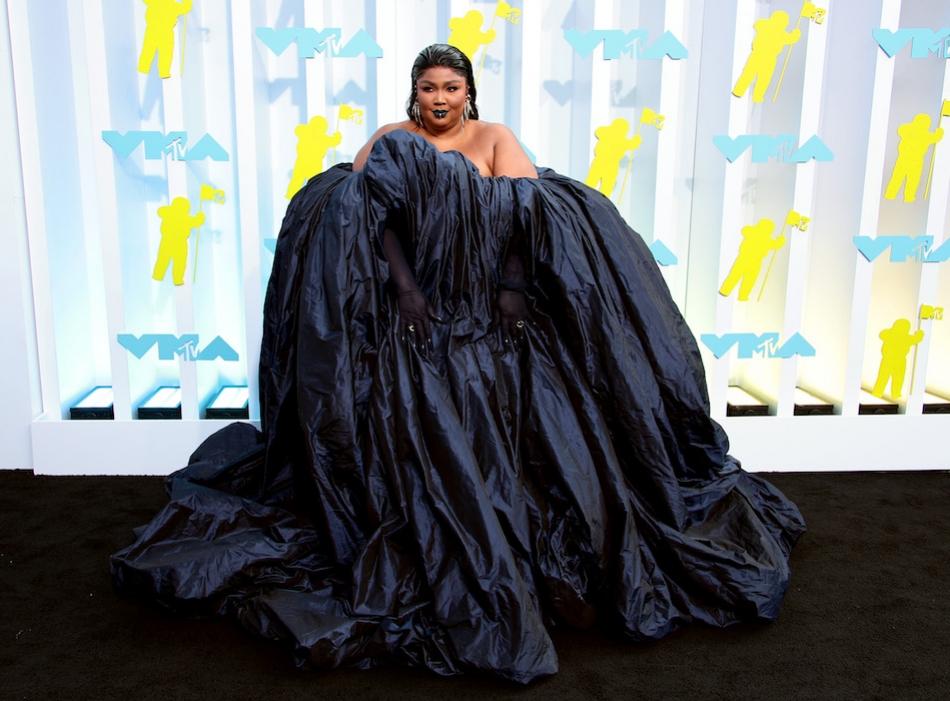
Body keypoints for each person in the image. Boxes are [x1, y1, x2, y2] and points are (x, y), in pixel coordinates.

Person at [112, 44, 805, 685]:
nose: (439, 98)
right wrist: (407, 292)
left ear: (468, 91)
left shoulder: (495, 138)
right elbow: (365, 218)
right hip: (414, 314)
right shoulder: (391, 139)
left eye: (451, 86)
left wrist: (511, 287)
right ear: (414, 92)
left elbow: (528, 215)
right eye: (428, 87)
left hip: (489, 314)